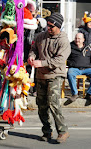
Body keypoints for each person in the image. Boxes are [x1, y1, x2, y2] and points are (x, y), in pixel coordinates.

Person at [28, 12, 71, 143]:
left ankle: (63, 131)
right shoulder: (41, 36)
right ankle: (47, 131)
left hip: (55, 75)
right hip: (41, 75)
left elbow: (59, 60)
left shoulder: (63, 41)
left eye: (52, 26)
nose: (49, 28)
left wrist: (42, 63)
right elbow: (33, 48)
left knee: (53, 103)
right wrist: (32, 56)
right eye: (48, 25)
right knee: (41, 105)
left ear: (58, 26)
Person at [67, 33, 91, 103]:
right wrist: (71, 64)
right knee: (70, 73)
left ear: (83, 40)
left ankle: (89, 94)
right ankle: (75, 94)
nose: (77, 40)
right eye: (76, 38)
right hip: (75, 68)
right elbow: (66, 58)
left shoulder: (88, 48)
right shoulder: (70, 47)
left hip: (87, 68)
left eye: (79, 38)